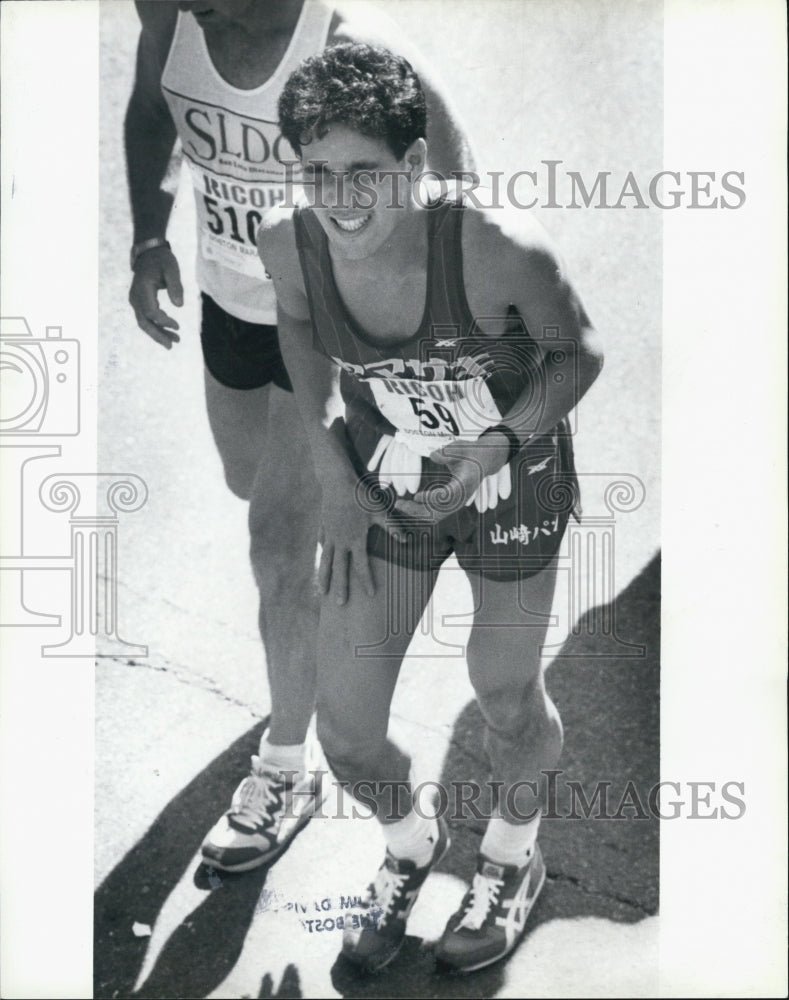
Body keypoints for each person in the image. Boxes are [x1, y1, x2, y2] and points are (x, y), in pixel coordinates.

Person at [258, 42, 604, 973]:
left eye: (364, 172)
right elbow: (296, 325)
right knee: (348, 730)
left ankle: (508, 859)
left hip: (507, 474)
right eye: (316, 173)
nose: (340, 199)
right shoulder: (286, 242)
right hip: (384, 476)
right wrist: (333, 472)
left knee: (502, 694)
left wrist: (493, 444)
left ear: (413, 167)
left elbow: (579, 356)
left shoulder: (495, 247)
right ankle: (412, 849)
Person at [124, 0, 474, 873]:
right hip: (230, 302)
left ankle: (287, 767)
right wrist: (143, 238)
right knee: (254, 487)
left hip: (328, 326)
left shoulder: (347, 48)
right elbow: (149, 108)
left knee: (276, 545)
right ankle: (331, 585)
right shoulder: (170, 14)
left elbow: (459, 192)